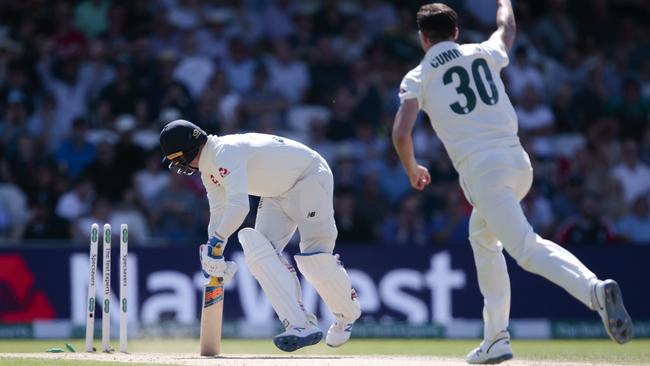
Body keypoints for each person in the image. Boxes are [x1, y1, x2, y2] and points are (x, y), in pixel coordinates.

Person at [391, 2, 633, 364]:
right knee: (483, 239)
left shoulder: (418, 76)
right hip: (518, 163)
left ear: (423, 39)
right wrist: (504, 2)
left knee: (526, 249)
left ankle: (595, 291)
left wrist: (411, 168)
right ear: (456, 33)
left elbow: (400, 133)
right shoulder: (482, 51)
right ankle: (496, 339)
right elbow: (507, 31)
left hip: (483, 173)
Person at [159, 120, 360, 352]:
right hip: (276, 193)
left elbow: (239, 206)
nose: (179, 167)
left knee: (315, 259)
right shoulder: (208, 170)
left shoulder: (224, 151)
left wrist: (217, 242)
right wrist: (212, 251)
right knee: (257, 252)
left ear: (186, 152)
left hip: (309, 177)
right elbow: (218, 211)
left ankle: (346, 315)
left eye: (177, 160)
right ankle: (300, 324)